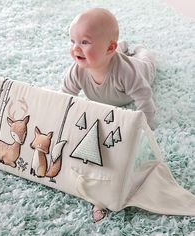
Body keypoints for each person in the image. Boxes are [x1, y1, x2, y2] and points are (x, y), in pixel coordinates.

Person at [62, 8, 156, 222]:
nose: (75, 48)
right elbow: (64, 96)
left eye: (84, 42)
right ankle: (122, 47)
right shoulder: (77, 70)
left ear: (108, 47)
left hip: (142, 69)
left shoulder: (128, 73)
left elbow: (145, 101)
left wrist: (146, 129)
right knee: (115, 53)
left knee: (146, 59)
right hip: (113, 52)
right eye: (72, 41)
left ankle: (138, 49)